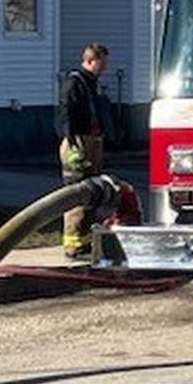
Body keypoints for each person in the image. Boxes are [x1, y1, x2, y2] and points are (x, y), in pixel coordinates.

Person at [56, 43, 112, 259]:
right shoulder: (74, 83)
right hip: (78, 143)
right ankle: (72, 244)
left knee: (92, 193)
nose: (104, 68)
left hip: (91, 141)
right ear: (90, 61)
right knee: (77, 193)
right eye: (102, 63)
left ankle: (84, 241)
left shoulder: (90, 84)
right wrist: (72, 143)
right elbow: (65, 112)